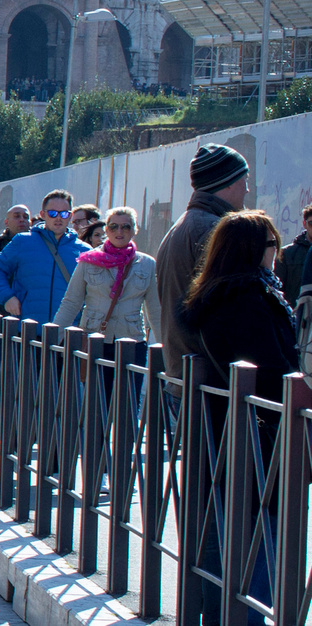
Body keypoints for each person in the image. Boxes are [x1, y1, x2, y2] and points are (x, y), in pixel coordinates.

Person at [177, 206, 293, 621]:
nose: (277, 252)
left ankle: (227, 615)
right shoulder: (248, 298)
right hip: (258, 432)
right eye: (272, 243)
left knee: (233, 533)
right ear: (251, 249)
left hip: (229, 427)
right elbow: (270, 371)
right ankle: (247, 618)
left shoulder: (219, 293)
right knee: (263, 534)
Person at [160, 143, 250, 366]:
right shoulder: (214, 230)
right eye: (244, 180)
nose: (247, 189)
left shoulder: (181, 225)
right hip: (206, 372)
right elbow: (226, 310)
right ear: (228, 182)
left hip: (185, 366)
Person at [54, 206, 160, 344]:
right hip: (95, 337)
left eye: (126, 227)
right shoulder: (89, 261)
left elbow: (155, 310)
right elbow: (71, 302)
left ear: (134, 230)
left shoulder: (147, 263)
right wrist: (53, 340)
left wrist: (164, 348)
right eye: (113, 227)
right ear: (107, 230)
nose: (119, 231)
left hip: (132, 340)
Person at [0, 191, 87, 323]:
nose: (58, 218)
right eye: (52, 213)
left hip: (67, 329)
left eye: (64, 214)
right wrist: (7, 297)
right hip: (27, 326)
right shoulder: (23, 241)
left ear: (70, 216)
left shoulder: (84, 250)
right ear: (43, 214)